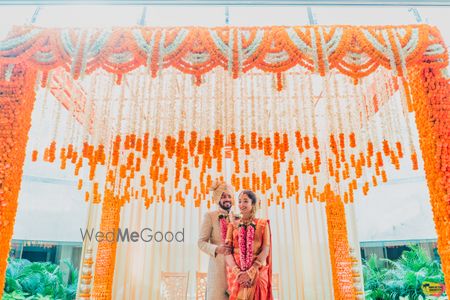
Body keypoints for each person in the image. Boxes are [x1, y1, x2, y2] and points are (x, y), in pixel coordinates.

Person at [225, 190, 273, 300]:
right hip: (236, 271)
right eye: (240, 201)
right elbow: (227, 252)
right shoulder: (232, 225)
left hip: (257, 270)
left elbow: (265, 249)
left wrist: (251, 272)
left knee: (259, 284)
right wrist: (238, 273)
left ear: (253, 204)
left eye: (245, 201)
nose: (241, 205)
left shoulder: (262, 224)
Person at [198, 181, 237, 300]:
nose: (227, 199)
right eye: (223, 196)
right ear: (218, 198)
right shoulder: (210, 216)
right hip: (217, 271)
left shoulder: (237, 218)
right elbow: (201, 242)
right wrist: (216, 249)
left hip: (236, 270)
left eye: (229, 196)